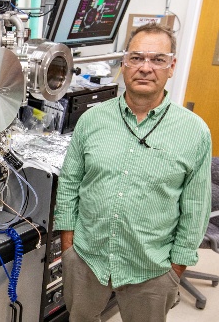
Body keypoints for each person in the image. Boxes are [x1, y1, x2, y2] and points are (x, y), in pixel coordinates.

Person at [55, 23, 212, 322]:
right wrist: (69, 248)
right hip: (87, 258)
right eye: (137, 58)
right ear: (124, 63)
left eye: (157, 59)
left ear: (171, 66)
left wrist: (175, 269)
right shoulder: (92, 120)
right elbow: (70, 184)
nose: (145, 68)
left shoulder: (194, 132)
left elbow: (195, 208)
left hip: (153, 268)